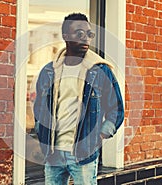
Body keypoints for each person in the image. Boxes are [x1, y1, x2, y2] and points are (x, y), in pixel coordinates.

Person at [33, 13, 124, 185]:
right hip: (53, 153)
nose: (86, 39)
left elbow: (116, 109)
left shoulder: (100, 71)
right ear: (65, 36)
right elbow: (39, 108)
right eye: (79, 33)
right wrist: (41, 129)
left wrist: (100, 135)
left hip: (83, 153)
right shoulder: (49, 71)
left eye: (90, 34)